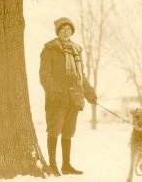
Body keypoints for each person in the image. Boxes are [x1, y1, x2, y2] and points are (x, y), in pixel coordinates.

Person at [39, 17, 97, 176]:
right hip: (57, 98)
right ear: (58, 32)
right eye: (62, 29)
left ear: (72, 31)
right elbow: (44, 75)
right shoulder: (49, 49)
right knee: (54, 129)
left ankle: (66, 165)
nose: (66, 31)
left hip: (74, 97)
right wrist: (56, 93)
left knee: (68, 131)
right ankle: (52, 165)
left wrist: (90, 94)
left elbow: (81, 76)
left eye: (68, 29)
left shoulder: (77, 51)